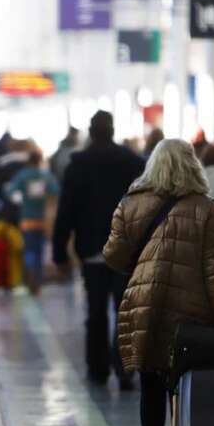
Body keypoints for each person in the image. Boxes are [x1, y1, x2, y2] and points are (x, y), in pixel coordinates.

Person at [103, 139, 214, 426]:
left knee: (150, 382)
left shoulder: (131, 203)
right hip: (192, 314)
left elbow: (114, 257)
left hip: (146, 307)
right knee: (184, 389)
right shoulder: (206, 208)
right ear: (191, 166)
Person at [53, 110, 145, 389]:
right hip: (126, 250)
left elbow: (66, 210)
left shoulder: (77, 164)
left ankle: (97, 368)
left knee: (95, 311)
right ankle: (125, 369)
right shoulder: (132, 162)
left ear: (91, 133)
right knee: (125, 311)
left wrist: (59, 251)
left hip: (92, 249)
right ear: (113, 130)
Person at [4, 150, 59, 293]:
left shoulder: (23, 175)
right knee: (40, 251)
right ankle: (38, 282)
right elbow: (55, 190)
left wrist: (20, 198)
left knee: (28, 249)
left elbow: (10, 191)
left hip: (26, 219)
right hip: (41, 219)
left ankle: (29, 274)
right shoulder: (45, 176)